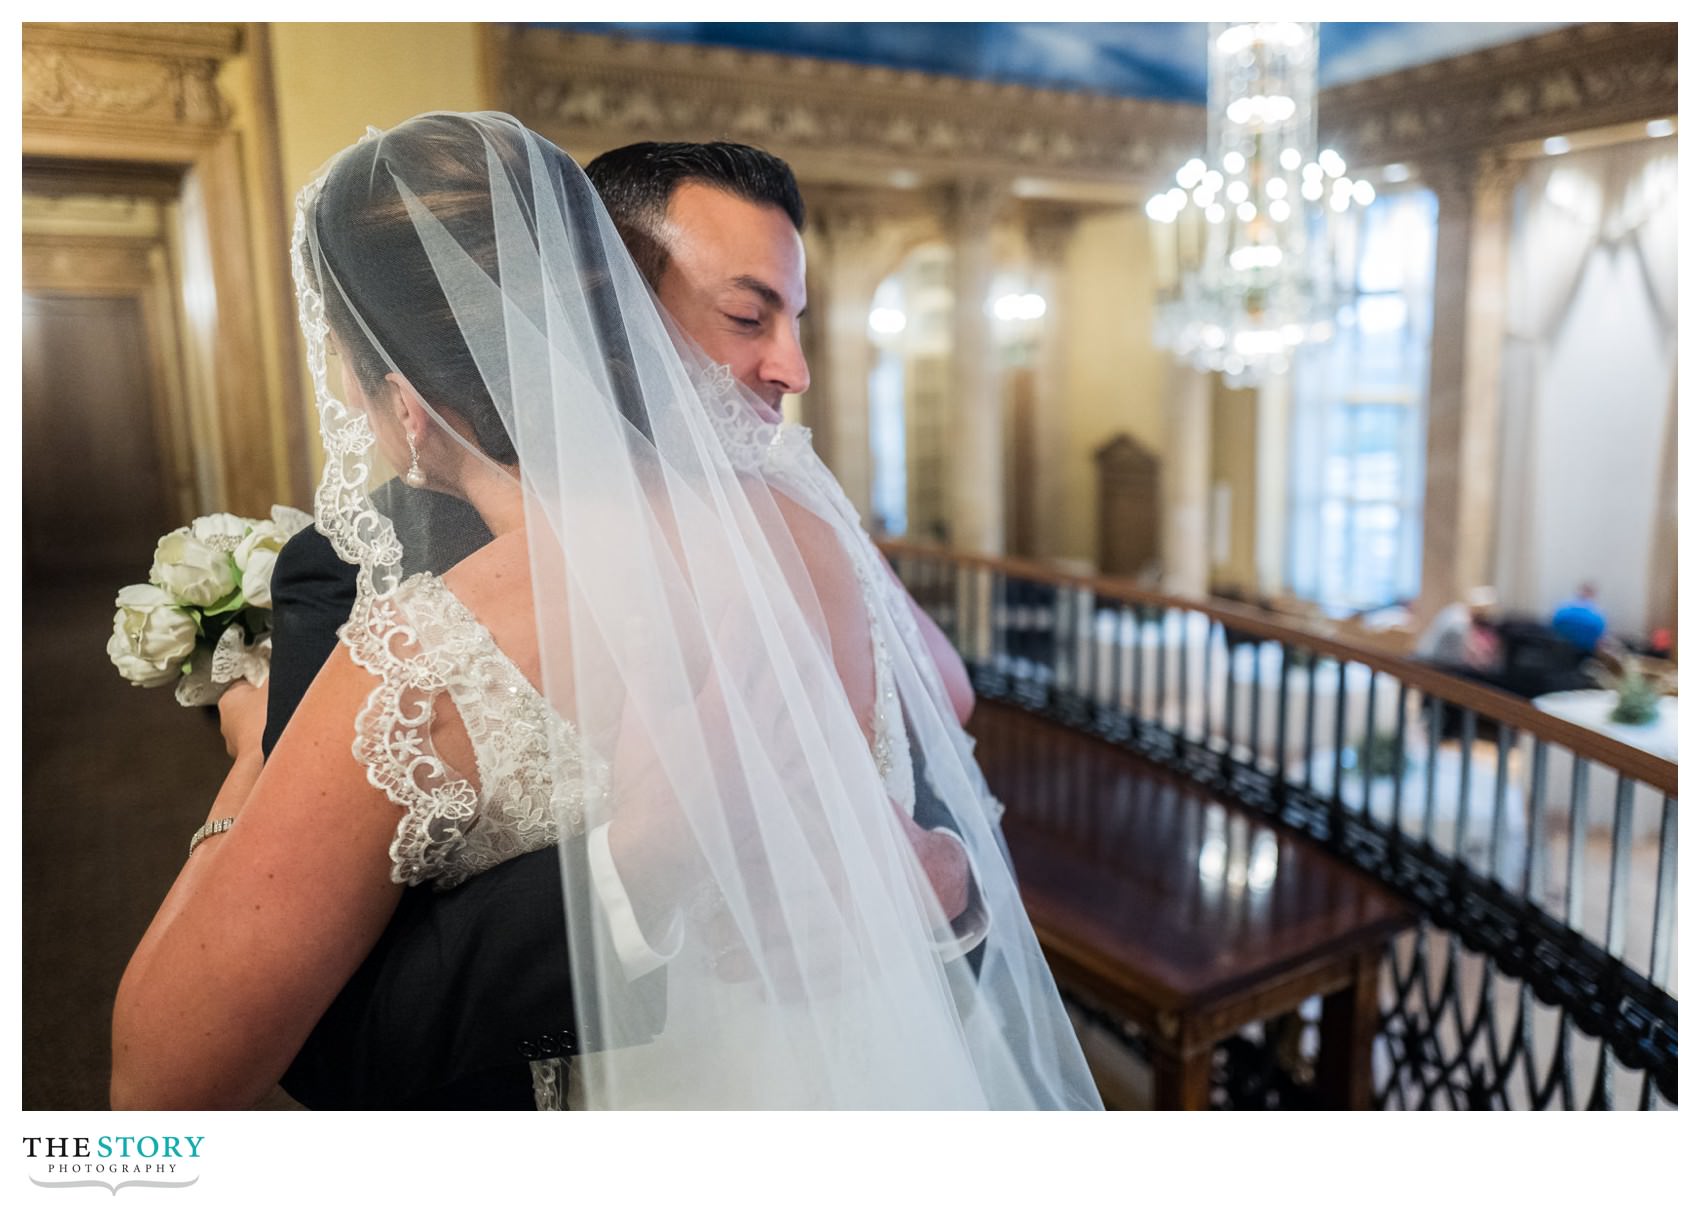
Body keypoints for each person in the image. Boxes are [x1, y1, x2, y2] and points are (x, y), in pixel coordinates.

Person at [112, 113, 1100, 1110]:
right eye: (748, 317)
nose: (786, 364)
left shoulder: (427, 652)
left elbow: (161, 1085)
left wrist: (252, 761)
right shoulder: (803, 539)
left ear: (402, 405)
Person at [1551, 582, 1608, 653]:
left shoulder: (1563, 608)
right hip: (1585, 654)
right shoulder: (1597, 614)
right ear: (1593, 594)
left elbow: (1553, 626)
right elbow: (1600, 638)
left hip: (1561, 650)